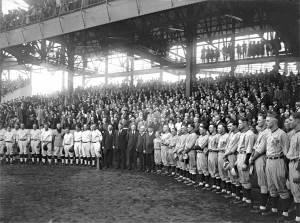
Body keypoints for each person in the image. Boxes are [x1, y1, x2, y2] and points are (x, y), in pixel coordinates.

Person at [262, 112, 290, 220]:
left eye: (268, 120)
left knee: (281, 187)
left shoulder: (282, 134)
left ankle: (285, 214)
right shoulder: (268, 133)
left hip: (278, 160)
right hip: (268, 160)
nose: (266, 122)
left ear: (275, 121)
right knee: (271, 187)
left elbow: (286, 152)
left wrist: (286, 169)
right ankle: (274, 210)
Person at [249, 113, 270, 213]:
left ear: (265, 121)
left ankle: (264, 207)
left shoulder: (266, 132)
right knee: (261, 182)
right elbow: (255, 147)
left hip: (262, 157)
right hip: (258, 158)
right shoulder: (262, 132)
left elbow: (261, 149)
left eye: (260, 120)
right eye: (257, 120)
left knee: (263, 183)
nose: (257, 121)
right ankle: (263, 205)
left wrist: (252, 158)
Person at [235, 117, 256, 206]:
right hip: (240, 155)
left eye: (240, 123)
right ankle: (245, 198)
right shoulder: (242, 133)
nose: (238, 125)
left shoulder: (250, 134)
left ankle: (249, 200)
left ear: (245, 123)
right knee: (242, 179)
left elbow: (249, 149)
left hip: (245, 156)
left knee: (246, 179)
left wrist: (246, 162)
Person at [286, 112, 300, 222]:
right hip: (292, 163)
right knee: (294, 191)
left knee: (298, 192)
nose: (289, 122)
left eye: (291, 120)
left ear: (297, 121)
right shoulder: (294, 134)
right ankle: (297, 217)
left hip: (297, 164)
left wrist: (299, 172)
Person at [224, 120, 241, 199]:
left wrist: (227, 153)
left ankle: (238, 195)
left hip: (233, 155)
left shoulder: (239, 134)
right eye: (228, 126)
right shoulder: (231, 134)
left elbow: (235, 147)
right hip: (228, 155)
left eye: (230, 126)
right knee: (230, 174)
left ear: (235, 126)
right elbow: (228, 145)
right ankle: (233, 193)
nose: (229, 127)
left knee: (235, 174)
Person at [194, 123, 209, 188]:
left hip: (203, 154)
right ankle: (201, 182)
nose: (199, 131)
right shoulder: (199, 137)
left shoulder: (207, 137)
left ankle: (207, 183)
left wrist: (197, 147)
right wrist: (197, 146)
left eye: (201, 130)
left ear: (205, 130)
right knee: (199, 168)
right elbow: (195, 146)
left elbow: (201, 146)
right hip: (198, 153)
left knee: (204, 168)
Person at [216, 123, 229, 194]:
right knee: (221, 171)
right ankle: (224, 189)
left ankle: (228, 190)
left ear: (224, 128)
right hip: (219, 153)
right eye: (218, 128)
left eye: (219, 128)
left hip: (224, 154)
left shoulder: (227, 136)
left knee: (226, 171)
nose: (218, 129)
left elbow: (228, 147)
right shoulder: (219, 136)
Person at [207, 124, 220, 190]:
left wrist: (214, 149)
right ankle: (214, 185)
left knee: (215, 169)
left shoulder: (217, 136)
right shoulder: (210, 136)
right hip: (210, 153)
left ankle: (218, 186)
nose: (209, 129)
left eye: (211, 127)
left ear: (215, 128)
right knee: (211, 169)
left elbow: (219, 147)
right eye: (209, 127)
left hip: (215, 153)